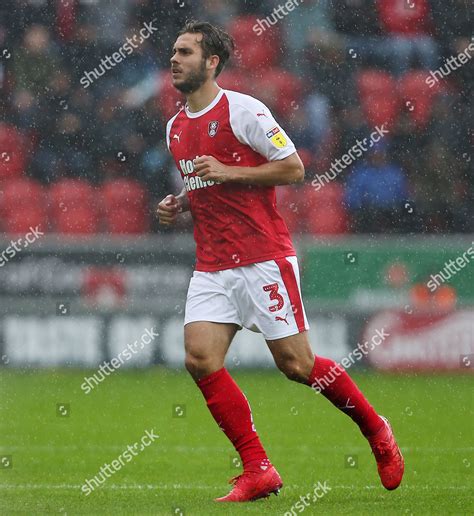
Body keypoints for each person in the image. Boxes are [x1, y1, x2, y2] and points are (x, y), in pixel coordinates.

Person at [157, 20, 404, 503]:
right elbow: (207, 183)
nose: (174, 59)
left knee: (297, 364)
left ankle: (377, 430)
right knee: (199, 358)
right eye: (173, 51)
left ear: (212, 63)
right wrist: (180, 203)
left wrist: (230, 169)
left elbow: (294, 167)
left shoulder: (244, 110)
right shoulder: (175, 127)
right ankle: (258, 468)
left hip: (261, 257)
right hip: (211, 263)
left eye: (185, 52)